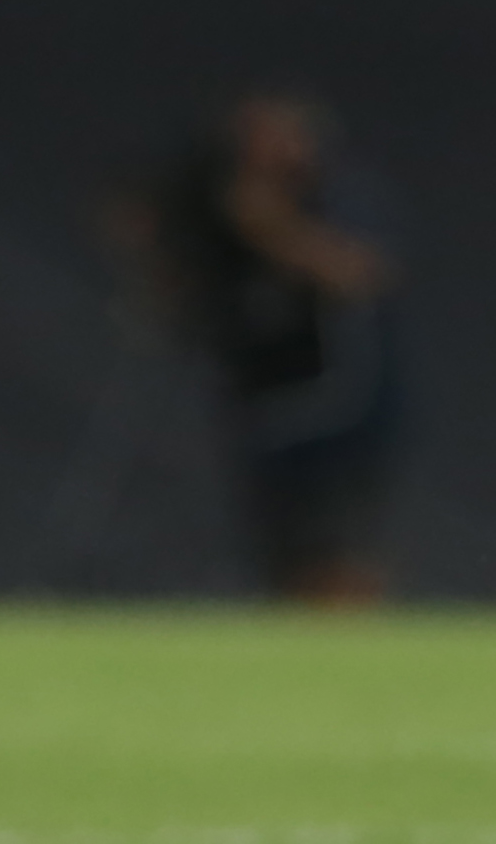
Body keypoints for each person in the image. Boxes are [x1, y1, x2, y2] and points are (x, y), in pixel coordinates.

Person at [140, 93, 405, 605]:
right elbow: (185, 295)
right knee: (282, 547)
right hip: (266, 406)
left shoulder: (335, 199)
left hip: (339, 405)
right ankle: (300, 648)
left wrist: (270, 227)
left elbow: (360, 274)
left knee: (338, 543)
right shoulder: (220, 216)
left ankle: (356, 647)